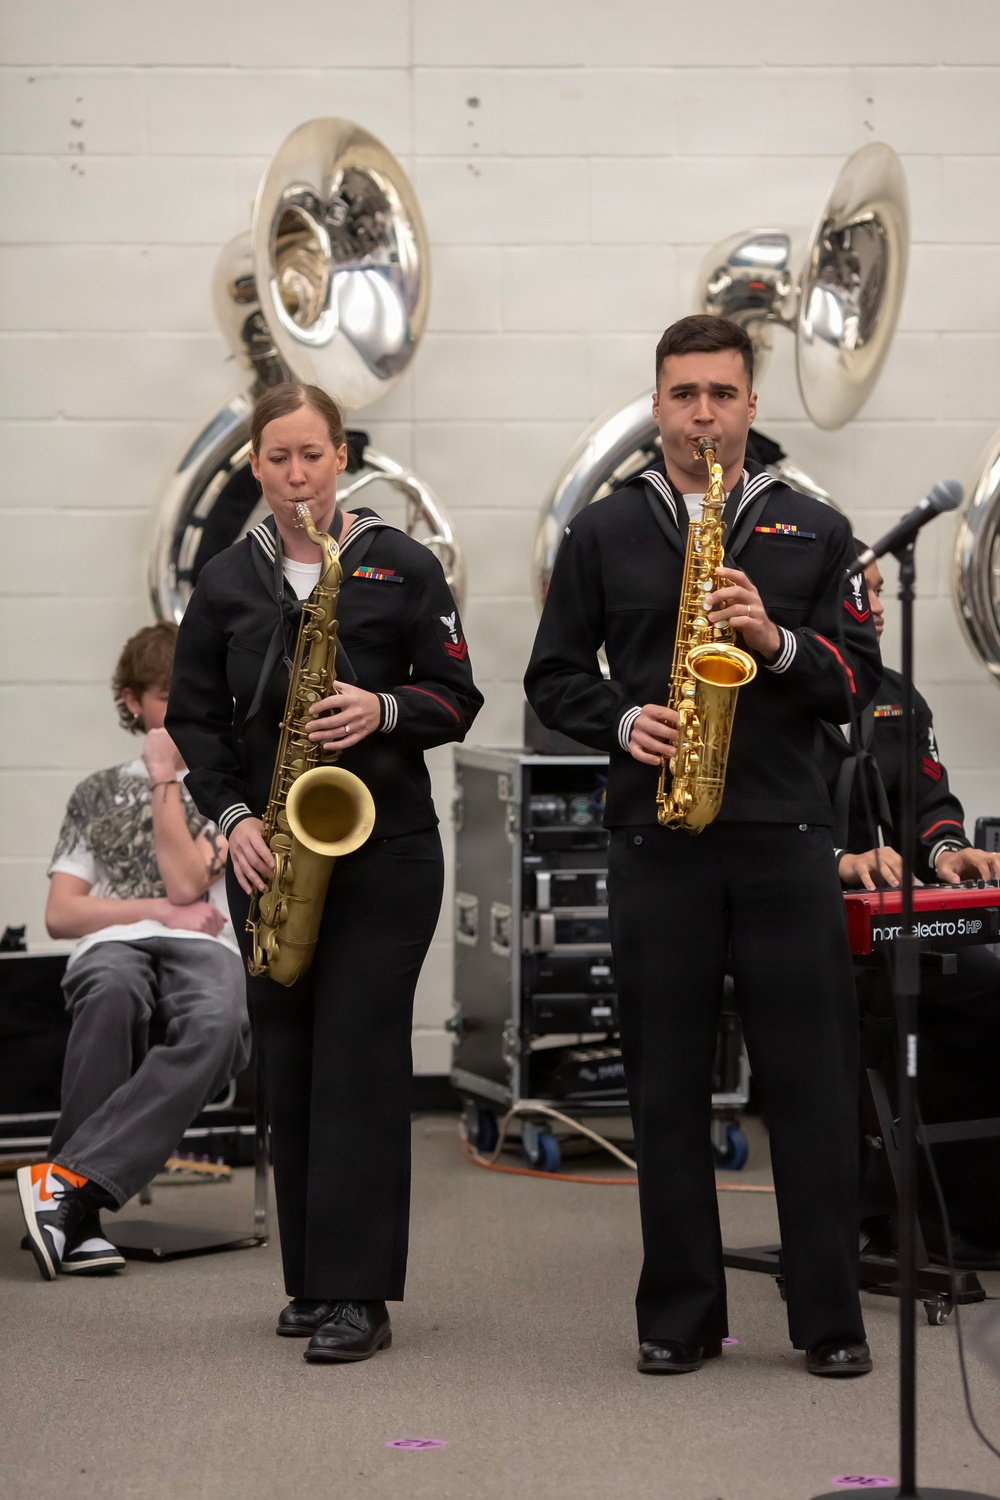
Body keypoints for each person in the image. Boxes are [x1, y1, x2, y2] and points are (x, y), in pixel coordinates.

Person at [525, 314, 882, 1378]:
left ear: (750, 405)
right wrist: (621, 719)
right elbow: (552, 678)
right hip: (658, 835)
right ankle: (680, 1315)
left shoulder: (816, 528)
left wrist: (775, 642)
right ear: (656, 406)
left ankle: (830, 1319)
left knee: (811, 1087)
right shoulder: (603, 530)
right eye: (683, 395)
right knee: (666, 1087)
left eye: (722, 394)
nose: (703, 415)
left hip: (784, 838)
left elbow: (859, 683)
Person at [166, 381, 482, 1363]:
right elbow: (193, 718)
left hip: (386, 853)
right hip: (268, 854)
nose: (296, 475)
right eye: (278, 458)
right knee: (293, 1066)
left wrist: (383, 710)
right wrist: (231, 820)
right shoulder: (227, 579)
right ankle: (311, 1280)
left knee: (358, 1063)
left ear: (342, 456)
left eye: (312, 455)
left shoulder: (402, 564)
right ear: (255, 466)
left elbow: (458, 697)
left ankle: (359, 1296)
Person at [17, 623, 250, 1280]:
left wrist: (166, 778)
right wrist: (156, 911)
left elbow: (186, 880)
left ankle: (66, 1187)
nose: (185, 709)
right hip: (114, 943)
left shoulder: (228, 786)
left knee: (220, 1022)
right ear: (132, 702)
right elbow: (63, 914)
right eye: (168, 696)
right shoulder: (94, 793)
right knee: (112, 994)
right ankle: (80, 1214)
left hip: (204, 943)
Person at [819, 553, 1000, 1261]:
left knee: (985, 987)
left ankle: (964, 1218)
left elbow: (927, 802)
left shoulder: (897, 697)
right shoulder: (760, 699)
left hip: (891, 929)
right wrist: (838, 861)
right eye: (861, 594)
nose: (877, 609)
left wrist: (948, 850)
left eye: (878, 593)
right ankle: (865, 1220)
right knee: (850, 1023)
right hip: (791, 920)